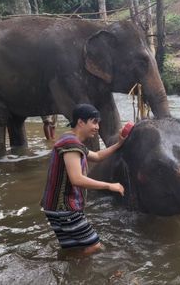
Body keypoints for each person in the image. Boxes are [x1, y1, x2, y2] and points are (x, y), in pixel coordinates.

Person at [41, 104, 125, 256]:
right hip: (64, 208)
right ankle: (74, 267)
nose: (97, 127)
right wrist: (109, 186)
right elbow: (77, 179)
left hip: (53, 206)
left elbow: (98, 156)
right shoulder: (71, 144)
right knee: (94, 245)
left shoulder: (70, 139)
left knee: (71, 248)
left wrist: (119, 144)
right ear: (81, 122)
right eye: (94, 122)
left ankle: (67, 271)